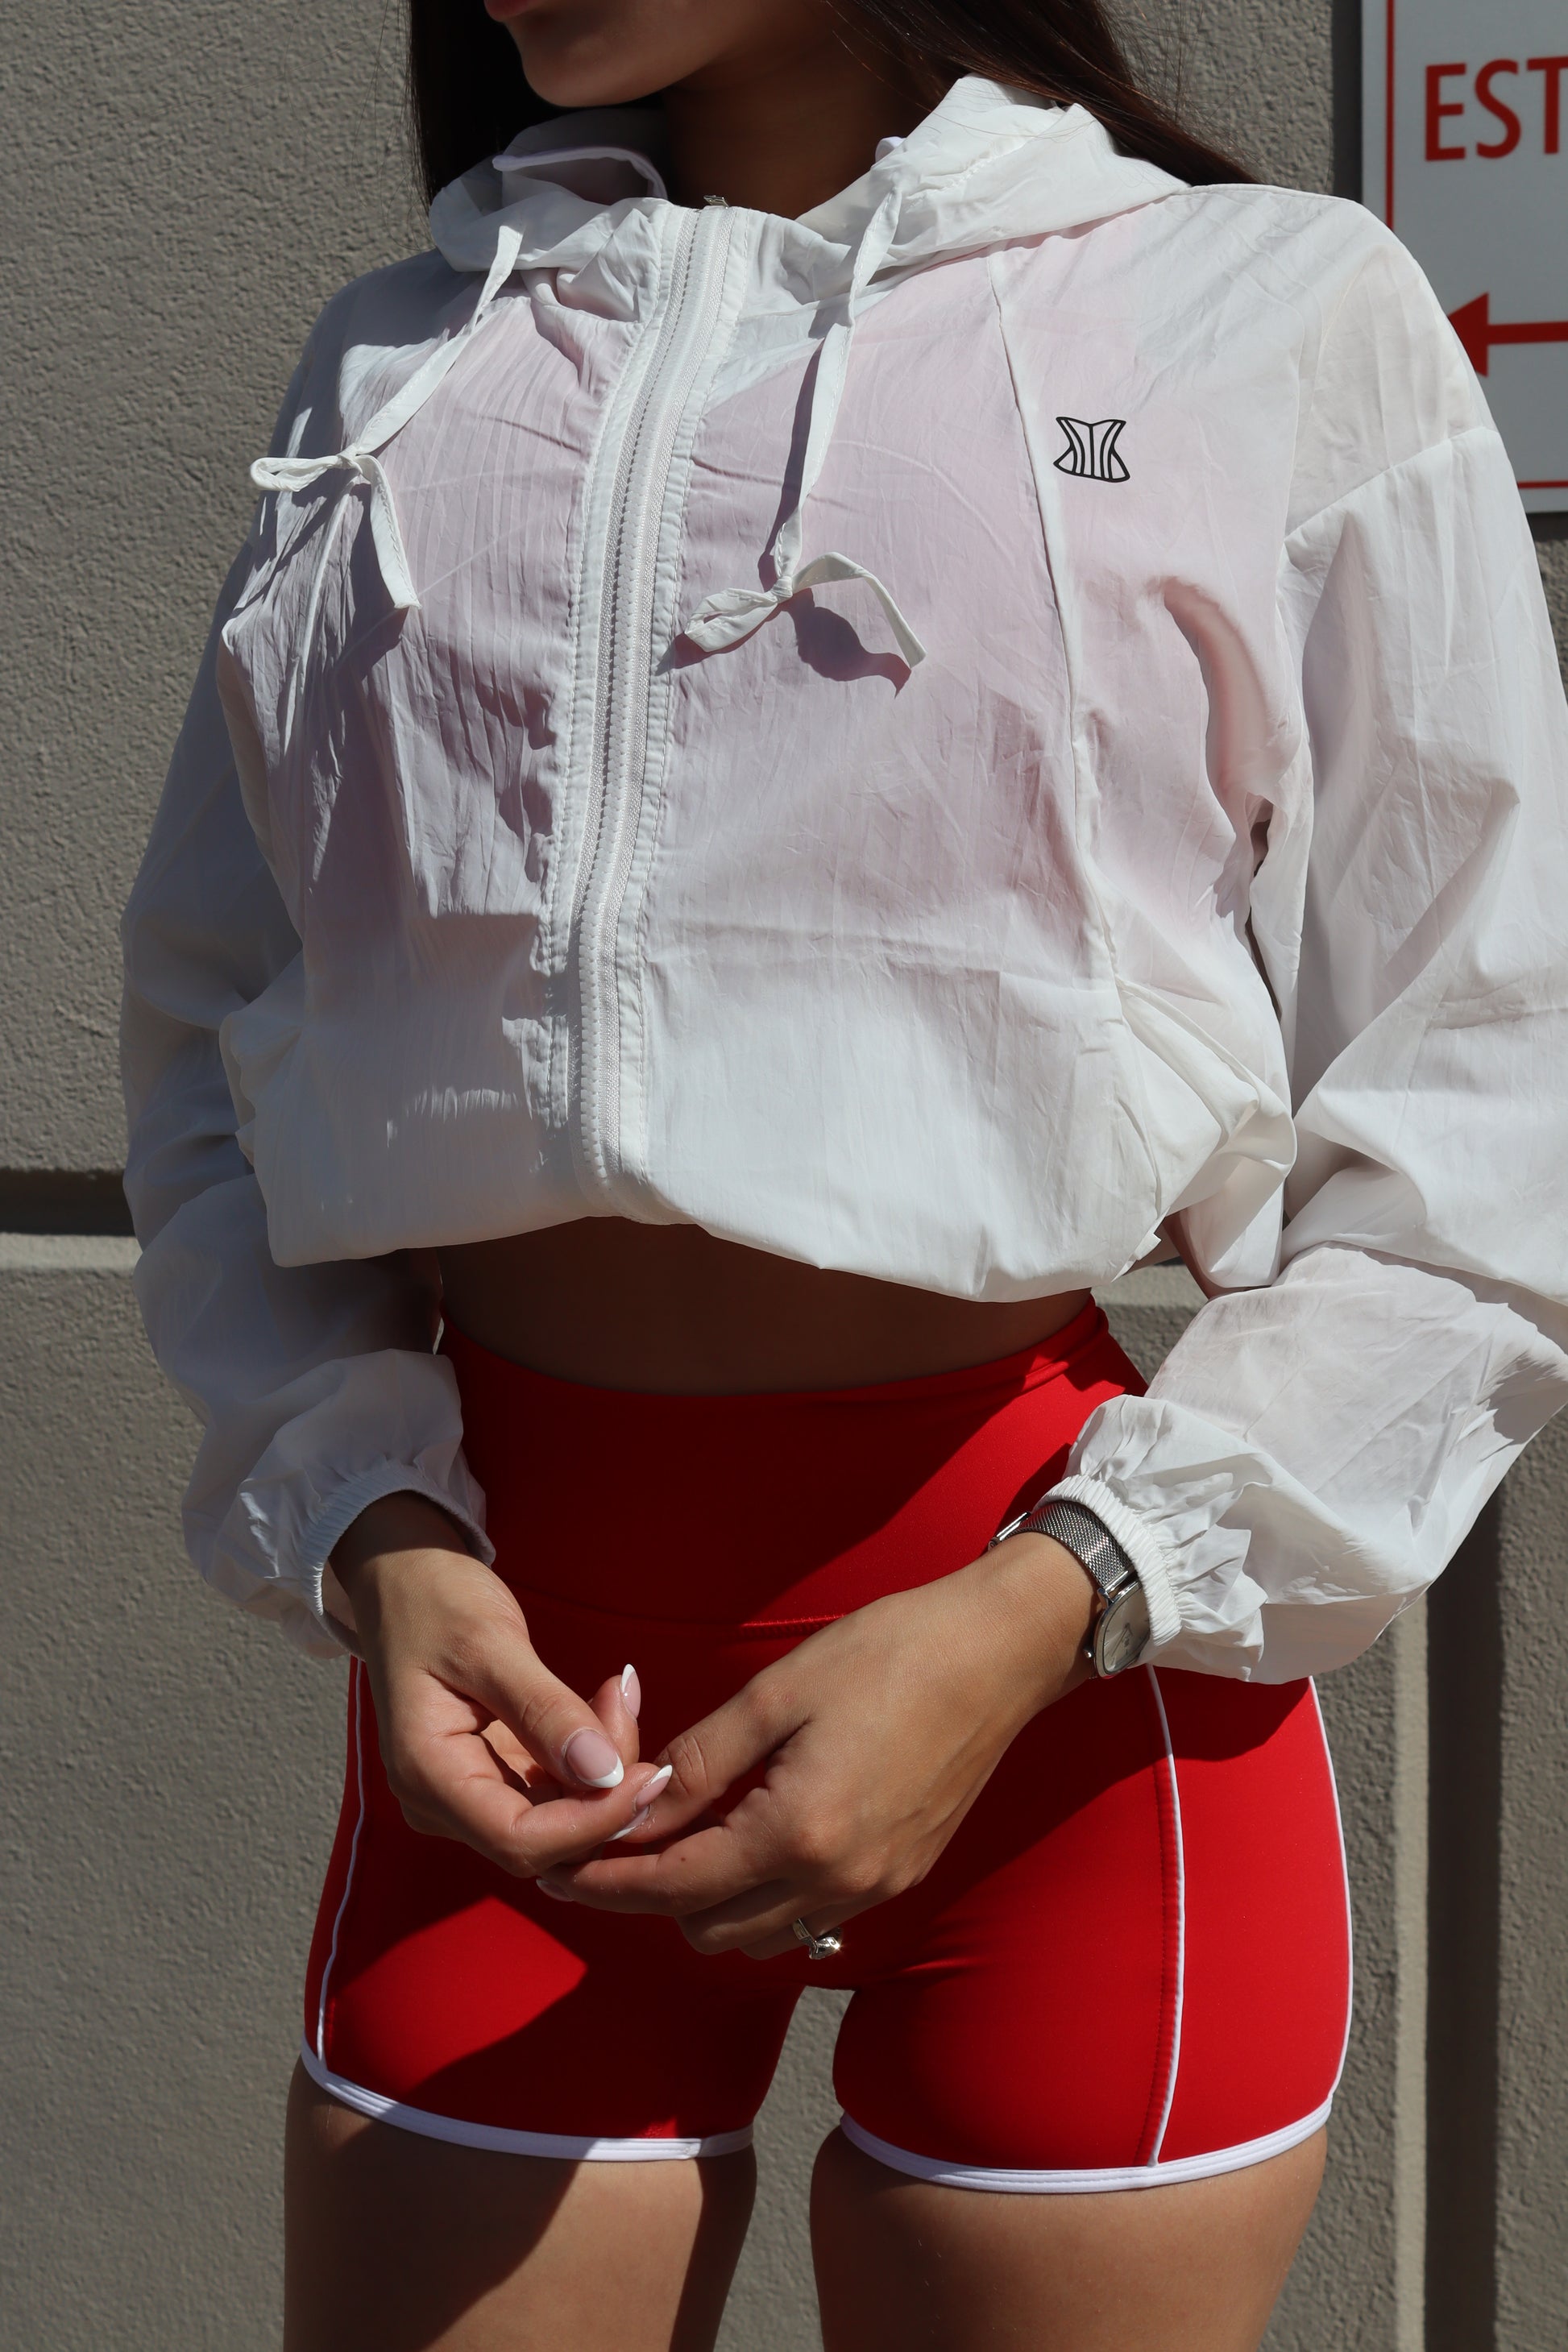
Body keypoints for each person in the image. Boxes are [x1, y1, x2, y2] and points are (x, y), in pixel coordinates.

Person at [119, 1, 1568, 2345]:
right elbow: (221, 1011)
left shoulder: (1259, 308)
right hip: (511, 1686)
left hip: (1059, 1677)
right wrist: (364, 1518)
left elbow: (1491, 1086)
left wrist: (1049, 1607)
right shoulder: (410, 353)